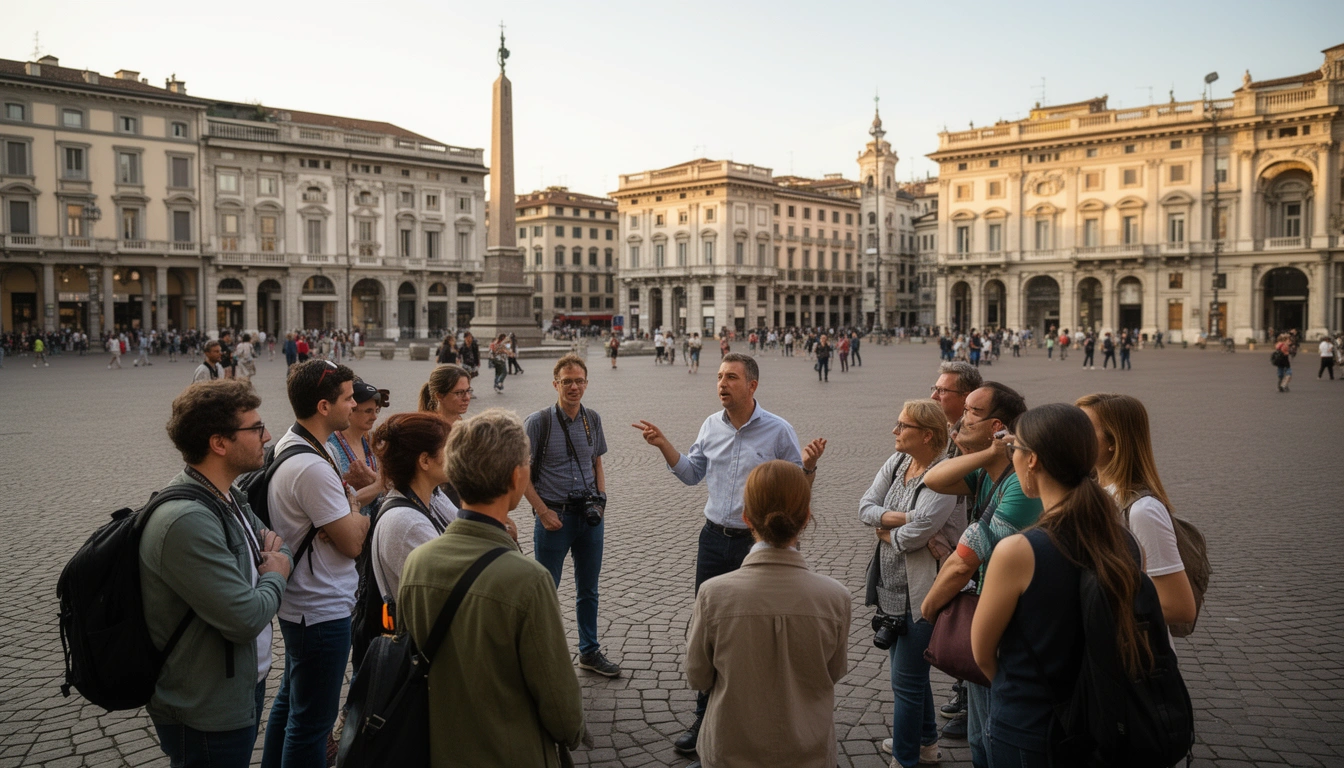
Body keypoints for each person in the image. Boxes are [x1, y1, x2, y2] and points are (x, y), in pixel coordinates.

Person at [633, 352, 827, 760]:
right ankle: (703, 717)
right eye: (720, 376)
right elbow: (691, 474)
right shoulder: (710, 425)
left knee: (752, 633)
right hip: (712, 539)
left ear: (752, 385)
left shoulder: (778, 430)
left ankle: (755, 718)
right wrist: (664, 444)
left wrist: (808, 467)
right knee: (711, 628)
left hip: (756, 544)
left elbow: (795, 491)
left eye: (732, 377)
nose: (722, 383)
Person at [970, 403, 1160, 768]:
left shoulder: (1018, 551)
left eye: (1014, 449)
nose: (1012, 458)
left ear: (1032, 460)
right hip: (1101, 719)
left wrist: (1019, 690)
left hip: (1030, 725)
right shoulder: (1123, 539)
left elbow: (982, 653)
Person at [398, 409, 587, 766]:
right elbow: (561, 707)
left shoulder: (417, 562)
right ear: (517, 476)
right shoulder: (528, 580)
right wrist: (574, 731)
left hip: (440, 749)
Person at [143, 380, 291, 768]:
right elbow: (245, 618)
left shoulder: (228, 495)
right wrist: (275, 574)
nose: (268, 436)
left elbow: (283, 546)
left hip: (239, 683)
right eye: (256, 428)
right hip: (206, 706)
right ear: (219, 443)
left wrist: (276, 562)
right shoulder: (188, 520)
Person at [687, 461, 850, 768]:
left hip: (730, 750)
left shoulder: (713, 594)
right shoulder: (836, 597)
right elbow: (834, 671)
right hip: (808, 750)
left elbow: (698, 675)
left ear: (746, 517)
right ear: (806, 517)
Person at [920, 382, 1041, 768]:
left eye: (971, 411)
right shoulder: (988, 471)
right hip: (987, 613)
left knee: (995, 735)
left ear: (997, 426)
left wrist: (930, 607)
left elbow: (965, 561)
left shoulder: (1021, 486)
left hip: (1011, 624)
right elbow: (934, 479)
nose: (960, 417)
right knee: (978, 737)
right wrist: (988, 453)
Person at [261, 360, 368, 768]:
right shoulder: (311, 466)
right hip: (320, 609)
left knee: (291, 705)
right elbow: (352, 543)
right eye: (348, 398)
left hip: (302, 604)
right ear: (324, 406)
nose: (354, 404)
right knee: (311, 725)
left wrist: (346, 513)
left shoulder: (294, 443)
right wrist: (356, 513)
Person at [859, 400, 961, 767]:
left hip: (923, 593)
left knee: (906, 682)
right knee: (911, 676)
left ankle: (905, 759)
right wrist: (906, 517)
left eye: (903, 426)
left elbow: (919, 534)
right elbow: (865, 507)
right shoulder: (898, 462)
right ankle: (926, 743)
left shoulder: (945, 474)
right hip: (890, 589)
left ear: (927, 435)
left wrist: (888, 530)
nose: (895, 430)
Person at [522, 355, 621, 677]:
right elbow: (521, 473)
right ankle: (542, 657)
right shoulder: (538, 422)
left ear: (586, 384)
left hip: (589, 518)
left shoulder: (593, 419)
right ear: (556, 384)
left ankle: (589, 651)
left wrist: (601, 500)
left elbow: (597, 462)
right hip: (554, 518)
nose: (574, 387)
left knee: (589, 590)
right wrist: (542, 512)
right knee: (546, 590)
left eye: (579, 381)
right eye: (567, 381)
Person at [1076, 393, 1196, 629]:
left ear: (1113, 442)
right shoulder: (1088, 490)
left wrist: (1088, 609)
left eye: (1083, 428)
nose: (1071, 434)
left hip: (1129, 647)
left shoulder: (1143, 511)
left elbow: (1179, 606)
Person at [368, 413, 457, 615]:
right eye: (449, 448)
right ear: (424, 460)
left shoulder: (433, 497)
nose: (456, 455)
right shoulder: (407, 523)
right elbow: (450, 589)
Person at [327, 380, 387, 514]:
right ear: (351, 410)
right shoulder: (331, 445)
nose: (374, 417)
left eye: (376, 411)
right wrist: (380, 484)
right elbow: (339, 503)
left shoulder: (374, 442)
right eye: (368, 411)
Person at [420, 364, 474, 430]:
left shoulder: (469, 428)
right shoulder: (428, 430)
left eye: (468, 390)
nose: (467, 398)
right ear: (439, 396)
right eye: (459, 393)